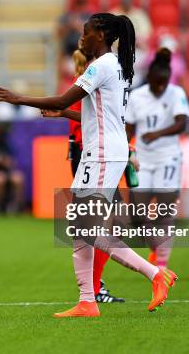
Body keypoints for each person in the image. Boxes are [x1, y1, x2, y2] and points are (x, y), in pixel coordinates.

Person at [0, 13, 177, 318]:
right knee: (80, 228)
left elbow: (64, 99)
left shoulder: (101, 66)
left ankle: (155, 274)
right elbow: (101, 116)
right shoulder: (119, 66)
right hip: (104, 151)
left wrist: (17, 98)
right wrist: (64, 116)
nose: (82, 36)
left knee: (86, 228)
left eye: (87, 31)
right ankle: (87, 301)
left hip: (101, 154)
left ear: (100, 35)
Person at [41, 47, 125, 304]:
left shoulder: (86, 82)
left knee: (95, 223)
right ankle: (97, 286)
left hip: (86, 154)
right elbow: (89, 118)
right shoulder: (90, 84)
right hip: (88, 155)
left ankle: (93, 288)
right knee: (101, 223)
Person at [125, 48, 189, 270]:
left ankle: (162, 264)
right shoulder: (137, 96)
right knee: (136, 214)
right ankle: (156, 248)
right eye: (157, 83)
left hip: (168, 159)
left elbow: (182, 123)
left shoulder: (176, 93)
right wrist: (125, 148)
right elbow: (129, 127)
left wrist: (158, 133)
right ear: (150, 77)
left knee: (164, 212)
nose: (161, 87)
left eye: (164, 82)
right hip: (142, 160)